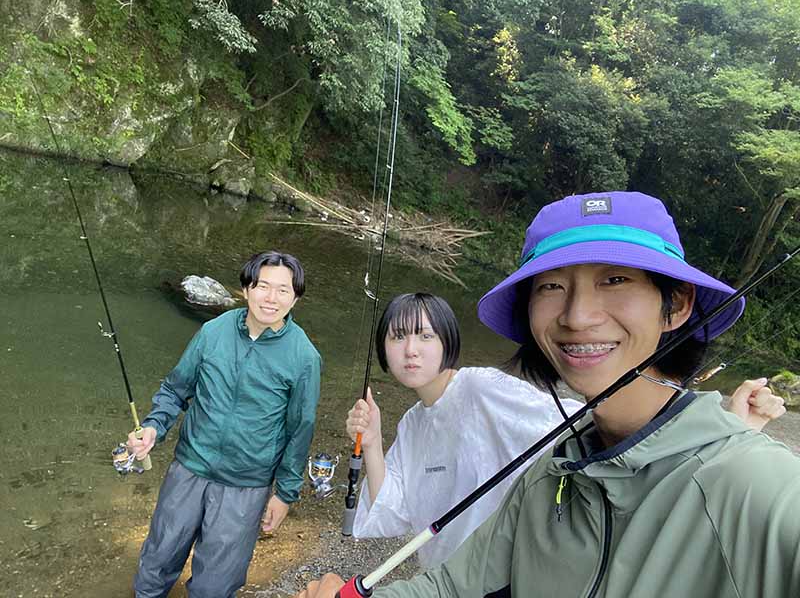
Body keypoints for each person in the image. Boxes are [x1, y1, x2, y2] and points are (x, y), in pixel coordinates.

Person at [297, 191, 798, 598]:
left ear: (678, 305)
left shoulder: (759, 487)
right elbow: (453, 584)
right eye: (552, 286)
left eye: (616, 279)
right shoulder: (550, 474)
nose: (578, 316)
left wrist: (736, 424)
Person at [345, 289, 786, 569]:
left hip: (499, 573)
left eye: (425, 336)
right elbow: (393, 510)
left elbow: (587, 425)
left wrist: (727, 421)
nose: (410, 351)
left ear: (448, 342)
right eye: (397, 337)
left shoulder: (481, 388)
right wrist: (377, 442)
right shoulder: (413, 422)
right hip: (442, 578)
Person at [127, 251, 322, 598]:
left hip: (246, 486)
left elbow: (299, 431)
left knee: (214, 586)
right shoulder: (213, 331)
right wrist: (154, 427)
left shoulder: (304, 357)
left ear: (295, 299)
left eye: (282, 290)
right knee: (156, 563)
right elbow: (176, 389)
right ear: (246, 288)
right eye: (263, 286)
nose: (271, 298)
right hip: (189, 468)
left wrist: (284, 494)